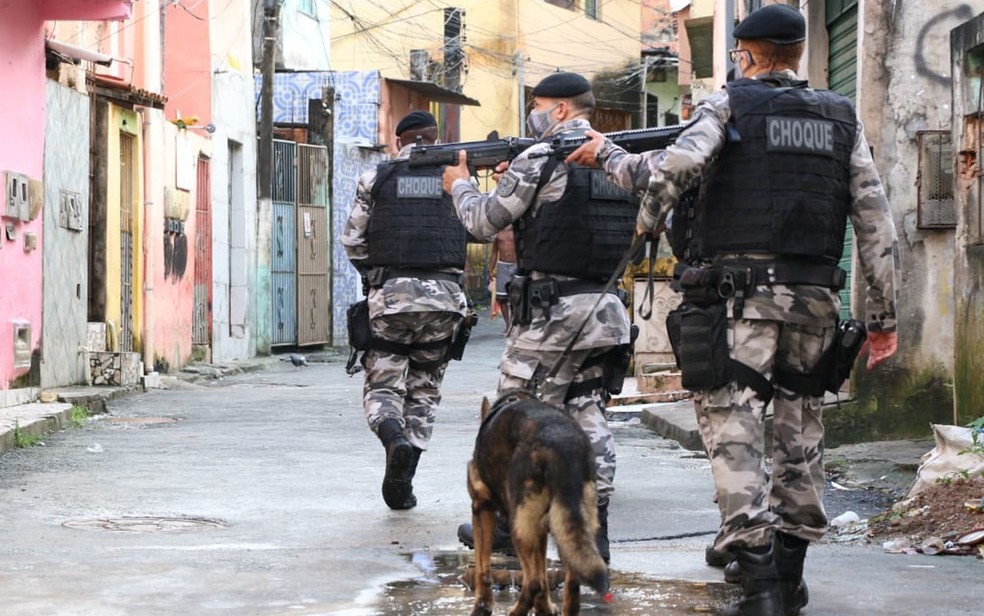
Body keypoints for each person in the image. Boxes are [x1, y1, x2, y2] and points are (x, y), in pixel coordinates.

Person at [565, 5, 899, 615]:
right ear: (797, 53)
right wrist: (882, 321)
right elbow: (877, 226)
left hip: (739, 301)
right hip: (816, 302)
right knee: (801, 435)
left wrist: (643, 216)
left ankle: (763, 586)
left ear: (747, 54)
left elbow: (676, 168)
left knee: (734, 433)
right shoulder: (841, 116)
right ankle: (790, 577)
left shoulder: (727, 105)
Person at [442, 72, 638, 564]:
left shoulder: (540, 156)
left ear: (560, 111)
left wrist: (460, 185)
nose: (532, 111)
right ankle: (595, 529)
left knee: (514, 418)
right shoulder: (617, 156)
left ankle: (507, 530)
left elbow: (483, 221)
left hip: (552, 316)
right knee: (587, 414)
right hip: (605, 310)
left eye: (539, 104)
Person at [342, 110, 470, 511]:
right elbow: (479, 226)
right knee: (425, 386)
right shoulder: (457, 179)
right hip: (447, 299)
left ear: (400, 142)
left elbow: (353, 241)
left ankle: (394, 438)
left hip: (392, 299)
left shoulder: (376, 178)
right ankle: (405, 478)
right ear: (435, 138)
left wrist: (378, 276)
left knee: (384, 385)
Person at [488, 227, 517, 331]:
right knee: (501, 297)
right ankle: (508, 324)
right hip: (502, 266)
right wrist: (490, 269)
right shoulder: (498, 232)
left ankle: (515, 322)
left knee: (516, 296)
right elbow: (494, 252)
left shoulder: (517, 230)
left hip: (516, 265)